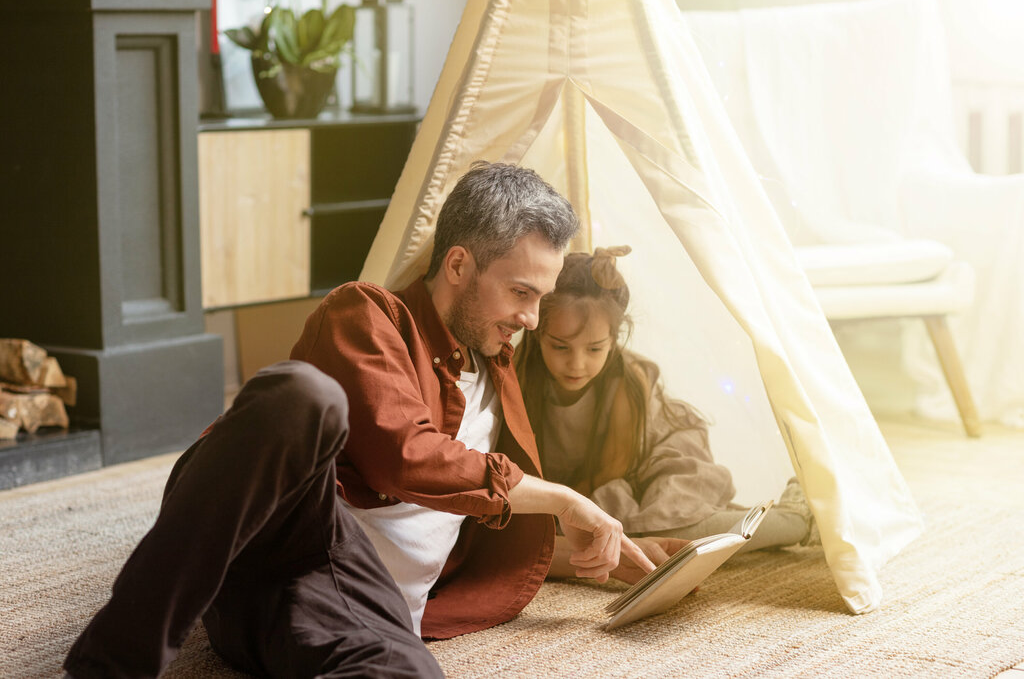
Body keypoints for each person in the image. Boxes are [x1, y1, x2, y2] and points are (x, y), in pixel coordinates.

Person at [63, 163, 663, 679]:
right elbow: (405, 456)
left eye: (541, 298)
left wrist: (637, 552)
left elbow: (476, 530)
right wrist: (563, 498)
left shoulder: (503, 368)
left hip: (357, 609)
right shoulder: (368, 314)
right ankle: (110, 666)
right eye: (521, 293)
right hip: (293, 537)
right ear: (457, 265)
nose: (532, 319)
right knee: (300, 395)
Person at [515, 246, 816, 564]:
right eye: (560, 347)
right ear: (537, 335)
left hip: (649, 463)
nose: (576, 364)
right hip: (587, 488)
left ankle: (796, 519)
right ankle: (749, 519)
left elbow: (613, 471)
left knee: (662, 534)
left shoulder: (628, 383)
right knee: (583, 532)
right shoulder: (520, 377)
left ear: (615, 339)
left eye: (594, 349)